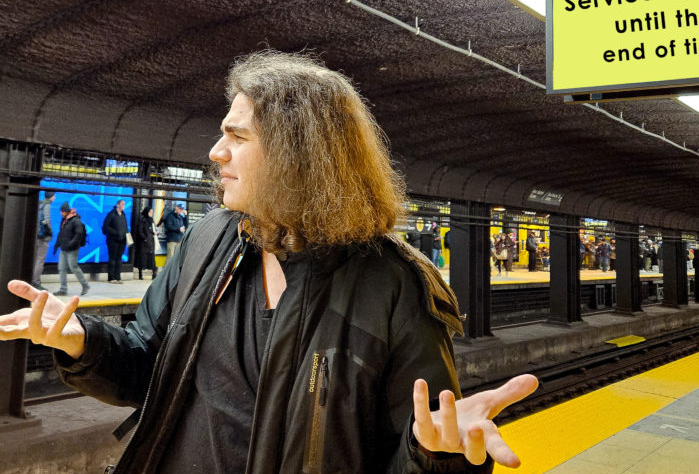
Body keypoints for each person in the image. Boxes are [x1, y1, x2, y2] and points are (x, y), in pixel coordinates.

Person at [1, 51, 537, 473]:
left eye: (237, 136)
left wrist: (435, 454)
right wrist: (81, 342)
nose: (215, 151)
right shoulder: (209, 238)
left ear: (296, 155)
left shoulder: (393, 284)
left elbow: (421, 436)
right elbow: (145, 368)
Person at [53, 202, 90, 296]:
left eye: (62, 211)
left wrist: (71, 244)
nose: (61, 213)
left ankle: (85, 285)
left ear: (66, 211)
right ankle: (63, 289)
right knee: (61, 268)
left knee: (73, 267)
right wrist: (56, 245)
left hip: (72, 249)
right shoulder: (64, 220)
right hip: (63, 248)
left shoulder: (75, 220)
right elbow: (60, 233)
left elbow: (79, 234)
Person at [31, 190, 56, 289]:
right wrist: (50, 232)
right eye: (54, 196)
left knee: (35, 258)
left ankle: (32, 279)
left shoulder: (39, 204)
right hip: (43, 236)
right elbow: (47, 220)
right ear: (51, 196)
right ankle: (36, 282)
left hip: (36, 235)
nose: (55, 198)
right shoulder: (47, 205)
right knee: (40, 259)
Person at [102, 199, 128, 284]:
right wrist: (116, 233)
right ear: (118, 205)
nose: (124, 205)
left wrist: (127, 236)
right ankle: (111, 277)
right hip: (113, 241)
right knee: (112, 259)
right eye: (122, 204)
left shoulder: (123, 215)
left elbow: (125, 227)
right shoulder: (111, 214)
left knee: (119, 259)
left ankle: (118, 276)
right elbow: (105, 227)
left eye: (124, 204)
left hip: (122, 241)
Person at [132, 207, 157, 280]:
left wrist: (153, 232)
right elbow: (140, 231)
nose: (151, 214)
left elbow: (151, 229)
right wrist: (145, 238)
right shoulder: (142, 220)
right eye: (150, 212)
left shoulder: (151, 220)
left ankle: (154, 274)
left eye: (152, 212)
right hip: (144, 244)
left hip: (151, 243)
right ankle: (140, 274)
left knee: (152, 259)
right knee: (142, 259)